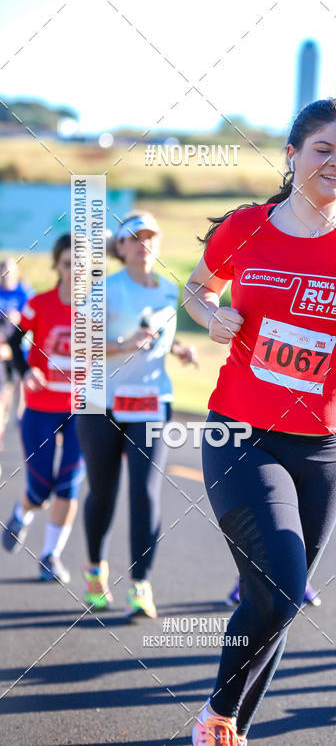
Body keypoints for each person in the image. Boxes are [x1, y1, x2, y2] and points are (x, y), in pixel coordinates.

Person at [184, 98, 336, 745]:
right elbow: (198, 287)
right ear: (291, 155)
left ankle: (232, 727)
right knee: (280, 592)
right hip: (241, 435)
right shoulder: (247, 227)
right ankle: (217, 715)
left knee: (275, 600)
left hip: (325, 447)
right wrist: (209, 314)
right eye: (324, 150)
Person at [76, 212, 196, 619]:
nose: (143, 243)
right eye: (134, 237)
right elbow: (83, 347)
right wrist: (122, 344)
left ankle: (141, 585)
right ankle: (94, 569)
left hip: (150, 400)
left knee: (145, 492)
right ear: (121, 246)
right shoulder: (105, 289)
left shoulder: (168, 288)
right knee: (103, 491)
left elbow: (159, 330)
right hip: (101, 402)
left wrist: (178, 349)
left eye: (150, 236)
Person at [2, 235, 84, 584]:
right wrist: (24, 370)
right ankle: (22, 512)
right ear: (57, 266)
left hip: (84, 408)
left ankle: (51, 556)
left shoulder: (101, 308)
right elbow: (14, 340)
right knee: (40, 489)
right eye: (68, 264)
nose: (75, 271)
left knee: (69, 485)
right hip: (40, 405)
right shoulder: (40, 304)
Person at [0, 257, 34, 442]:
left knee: (21, 380)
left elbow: (34, 316)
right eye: (3, 269)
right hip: (2, 346)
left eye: (10, 269)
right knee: (5, 386)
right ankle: (3, 420)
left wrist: (18, 317)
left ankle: (20, 416)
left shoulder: (25, 292)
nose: (7, 273)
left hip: (22, 344)